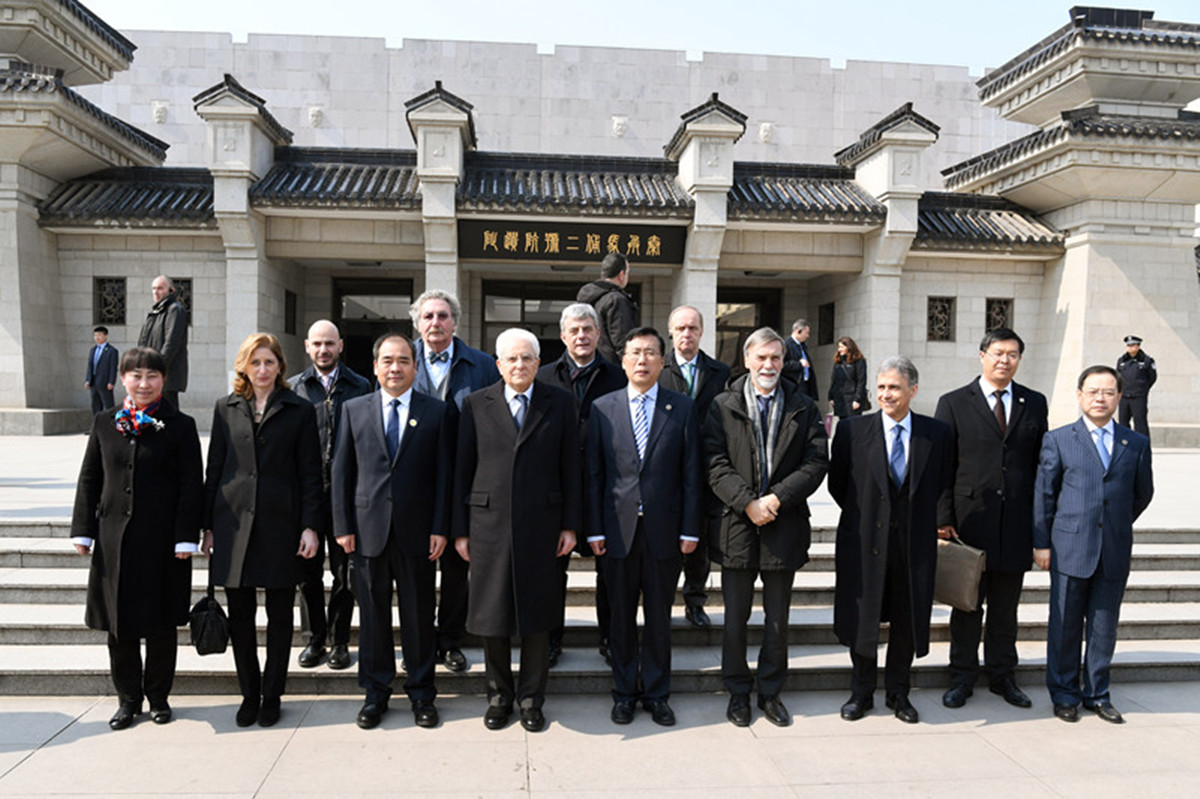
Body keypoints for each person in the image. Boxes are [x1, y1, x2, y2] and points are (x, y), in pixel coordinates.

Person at [452, 328, 582, 733]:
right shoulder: (476, 404)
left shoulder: (560, 402)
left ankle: (531, 698)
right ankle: (498, 696)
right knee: (492, 615)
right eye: (512, 358)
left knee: (538, 616)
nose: (520, 365)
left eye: (527, 358)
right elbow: (462, 470)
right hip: (487, 525)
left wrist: (570, 525)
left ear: (538, 363)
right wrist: (460, 530)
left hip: (543, 525)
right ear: (498, 364)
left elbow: (571, 468)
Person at [70, 347, 203, 730]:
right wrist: (83, 529)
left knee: (161, 624)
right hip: (115, 542)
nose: (144, 383)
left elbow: (191, 484)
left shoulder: (180, 425)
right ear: (123, 379)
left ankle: (159, 697)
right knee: (120, 625)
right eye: (136, 375)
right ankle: (127, 699)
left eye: (152, 376)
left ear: (164, 380)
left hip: (162, 542)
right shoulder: (104, 421)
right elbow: (90, 478)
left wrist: (185, 537)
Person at [704, 327, 828, 727]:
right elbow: (714, 461)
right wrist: (747, 502)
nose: (769, 365)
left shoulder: (803, 405)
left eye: (776, 357)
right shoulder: (722, 405)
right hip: (736, 526)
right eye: (761, 357)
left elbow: (816, 462)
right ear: (747, 360)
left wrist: (776, 499)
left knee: (777, 620)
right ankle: (738, 693)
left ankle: (770, 692)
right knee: (735, 620)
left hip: (783, 524)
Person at [331, 333, 454, 730]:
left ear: (416, 368)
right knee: (373, 617)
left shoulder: (436, 412)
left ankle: (422, 693)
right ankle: (375, 692)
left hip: (419, 534)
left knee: (419, 617)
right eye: (388, 360)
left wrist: (441, 527)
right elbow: (341, 471)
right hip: (367, 532)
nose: (395, 368)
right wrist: (342, 525)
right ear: (375, 366)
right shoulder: (354, 409)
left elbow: (444, 476)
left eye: (404, 360)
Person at [202, 333, 323, 728]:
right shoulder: (225, 408)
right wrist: (207, 526)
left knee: (279, 616)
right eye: (255, 362)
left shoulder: (299, 410)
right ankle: (248, 693)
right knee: (240, 616)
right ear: (244, 366)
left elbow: (311, 474)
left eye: (269, 362)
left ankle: (272, 695)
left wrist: (310, 526)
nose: (263, 369)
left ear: (280, 366)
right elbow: (215, 469)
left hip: (281, 525)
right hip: (233, 524)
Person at [587, 327, 701, 726]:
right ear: (623, 361)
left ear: (662, 361)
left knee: (658, 619)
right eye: (635, 352)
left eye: (650, 352)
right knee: (619, 618)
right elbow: (594, 474)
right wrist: (594, 529)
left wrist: (690, 529)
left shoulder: (681, 407)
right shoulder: (603, 408)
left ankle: (656, 693)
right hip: (616, 533)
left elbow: (691, 474)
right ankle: (623, 693)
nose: (642, 360)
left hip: (664, 532)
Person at [830, 356, 952, 724]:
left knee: (906, 620)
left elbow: (943, 482)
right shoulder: (852, 431)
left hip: (913, 547)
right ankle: (861, 693)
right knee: (863, 618)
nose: (886, 394)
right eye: (881, 387)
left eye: (894, 388)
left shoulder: (936, 434)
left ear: (913, 390)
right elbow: (839, 485)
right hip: (863, 541)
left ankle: (899, 693)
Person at [1034, 365, 1153, 724]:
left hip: (1113, 548)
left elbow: (1142, 494)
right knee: (1065, 625)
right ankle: (1064, 694)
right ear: (1080, 395)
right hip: (1069, 547)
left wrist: (1113, 523)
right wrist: (1042, 543)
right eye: (1093, 391)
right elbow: (1045, 494)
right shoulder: (1059, 439)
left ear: (1119, 397)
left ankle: (1098, 694)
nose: (1100, 398)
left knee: (1104, 627)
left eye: (1108, 392)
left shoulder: (1135, 443)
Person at [936, 328, 1048, 710]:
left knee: (1005, 609)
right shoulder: (953, 403)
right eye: (998, 352)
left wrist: (1040, 524)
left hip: (1016, 523)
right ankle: (961, 677)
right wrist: (943, 516)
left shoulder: (1034, 402)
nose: (1005, 360)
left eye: (1012, 354)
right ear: (982, 355)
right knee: (967, 606)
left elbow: (1041, 465)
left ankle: (1003, 677)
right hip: (969, 523)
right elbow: (942, 465)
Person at [410, 289, 500, 673]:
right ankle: (420, 641)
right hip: (414, 484)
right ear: (418, 323)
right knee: (416, 569)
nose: (436, 323)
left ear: (455, 322)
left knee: (456, 569)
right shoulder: (401, 359)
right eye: (428, 316)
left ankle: (450, 640)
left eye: (443, 316)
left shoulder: (482, 365)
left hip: (466, 480)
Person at [537, 303, 627, 667]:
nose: (581, 336)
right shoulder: (543, 377)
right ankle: (551, 640)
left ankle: (610, 638)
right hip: (555, 492)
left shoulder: (618, 377)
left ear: (598, 334)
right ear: (563, 336)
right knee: (551, 573)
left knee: (610, 573)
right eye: (574, 330)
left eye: (588, 329)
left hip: (604, 490)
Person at [288, 319, 372, 671]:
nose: (324, 350)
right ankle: (313, 639)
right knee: (307, 573)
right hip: (306, 495)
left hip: (346, 495)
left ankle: (339, 641)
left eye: (330, 343)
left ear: (340, 346)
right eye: (317, 344)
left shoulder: (360, 385)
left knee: (343, 574)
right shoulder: (294, 388)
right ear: (307, 346)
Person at [658, 305, 731, 629]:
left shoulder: (720, 372)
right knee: (664, 542)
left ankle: (695, 601)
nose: (686, 334)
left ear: (702, 332)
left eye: (692, 328)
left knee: (698, 543)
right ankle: (661, 602)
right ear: (671, 332)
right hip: (665, 472)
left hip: (704, 473)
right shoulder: (658, 370)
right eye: (680, 328)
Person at [577, 251, 638, 363]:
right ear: (621, 275)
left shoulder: (587, 299)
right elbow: (623, 342)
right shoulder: (617, 300)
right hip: (610, 367)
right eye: (627, 273)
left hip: (588, 363)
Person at [137, 275, 188, 408]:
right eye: (153, 288)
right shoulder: (156, 311)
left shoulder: (174, 310)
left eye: (160, 288)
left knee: (168, 415)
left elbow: (171, 343)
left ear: (171, 290)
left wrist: (157, 370)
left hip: (166, 377)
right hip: (153, 374)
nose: (156, 292)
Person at [1116, 335, 1156, 440]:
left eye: (1133, 345)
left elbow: (1152, 378)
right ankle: (1125, 445)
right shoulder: (1122, 360)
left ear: (1138, 346)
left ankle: (1143, 446)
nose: (1130, 347)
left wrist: (1142, 389)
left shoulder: (1146, 360)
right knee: (1123, 423)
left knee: (1140, 424)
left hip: (1138, 397)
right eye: (1128, 345)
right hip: (1124, 396)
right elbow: (1117, 377)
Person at [828, 336, 868, 421]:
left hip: (852, 399)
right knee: (843, 424)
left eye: (842, 347)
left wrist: (857, 399)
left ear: (849, 347)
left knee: (854, 424)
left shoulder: (859, 361)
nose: (839, 350)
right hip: (840, 399)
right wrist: (831, 397)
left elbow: (861, 382)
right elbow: (834, 380)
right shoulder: (838, 362)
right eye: (839, 347)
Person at [84, 325, 119, 413]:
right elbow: (90, 366)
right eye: (95, 335)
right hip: (93, 382)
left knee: (108, 406)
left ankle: (110, 422)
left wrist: (111, 381)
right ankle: (96, 422)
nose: (97, 337)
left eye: (99, 335)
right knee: (95, 406)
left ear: (105, 336)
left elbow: (113, 367)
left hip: (105, 383)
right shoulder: (93, 350)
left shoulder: (112, 351)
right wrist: (88, 380)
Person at [782, 318, 819, 401]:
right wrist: (799, 364)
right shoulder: (786, 345)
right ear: (799, 331)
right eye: (806, 333)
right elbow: (781, 365)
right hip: (794, 385)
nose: (808, 336)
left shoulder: (803, 346)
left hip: (805, 385)